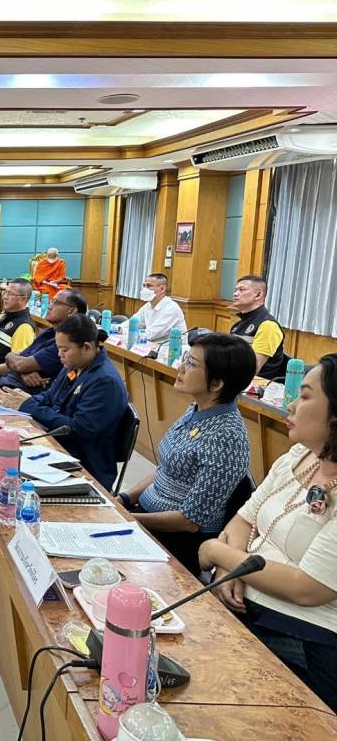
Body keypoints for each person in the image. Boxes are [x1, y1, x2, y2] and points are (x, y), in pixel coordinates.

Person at [198, 353, 337, 712]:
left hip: (302, 634)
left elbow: (307, 588)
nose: (291, 405)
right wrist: (229, 570)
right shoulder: (299, 456)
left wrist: (215, 552)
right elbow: (243, 520)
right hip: (241, 597)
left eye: (305, 396)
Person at [117, 334, 256, 574]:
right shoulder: (196, 409)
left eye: (191, 363)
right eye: (185, 359)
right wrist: (125, 499)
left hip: (177, 542)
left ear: (216, 384)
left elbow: (190, 521)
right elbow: (165, 470)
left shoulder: (226, 437)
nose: (180, 368)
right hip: (147, 519)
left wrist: (130, 519)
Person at [0, 314, 128, 488]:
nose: (59, 355)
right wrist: (23, 400)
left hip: (83, 465)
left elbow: (78, 429)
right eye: (58, 348)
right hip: (58, 448)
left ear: (86, 347)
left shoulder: (105, 381)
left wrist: (30, 406)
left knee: (8, 477)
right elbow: (49, 396)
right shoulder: (75, 364)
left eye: (64, 350)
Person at [0, 288, 87, 394]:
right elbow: (18, 360)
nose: (49, 306)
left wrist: (19, 364)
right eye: (51, 301)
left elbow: (19, 363)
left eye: (56, 303)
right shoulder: (49, 332)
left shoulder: (65, 344)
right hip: (5, 385)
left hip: (20, 394)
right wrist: (24, 370)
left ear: (71, 311)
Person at [230, 275, 287, 380]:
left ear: (258, 295)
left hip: (257, 385)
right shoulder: (237, 326)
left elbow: (253, 369)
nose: (235, 294)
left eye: (242, 290)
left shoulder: (268, 325)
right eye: (235, 290)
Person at [136, 273, 187, 343]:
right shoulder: (148, 305)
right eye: (144, 286)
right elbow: (132, 323)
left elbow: (151, 334)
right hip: (152, 345)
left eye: (149, 286)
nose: (145, 289)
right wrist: (121, 329)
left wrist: (129, 333)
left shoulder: (171, 308)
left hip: (171, 347)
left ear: (162, 289)